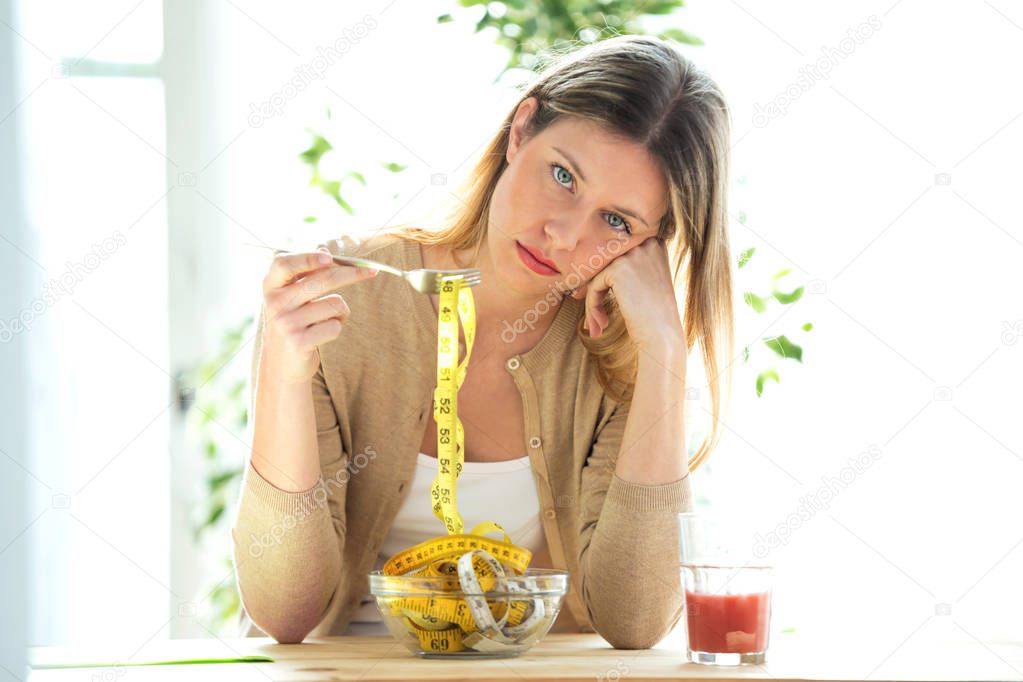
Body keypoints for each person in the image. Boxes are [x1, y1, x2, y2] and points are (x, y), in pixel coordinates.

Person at [231, 34, 734, 649]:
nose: (563, 235)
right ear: (521, 129)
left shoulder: (624, 352)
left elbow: (635, 622)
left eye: (617, 221)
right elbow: (283, 613)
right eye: (563, 175)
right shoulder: (337, 302)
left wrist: (664, 353)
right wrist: (284, 376)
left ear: (650, 247)